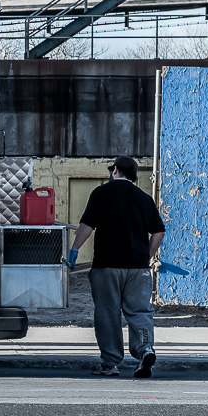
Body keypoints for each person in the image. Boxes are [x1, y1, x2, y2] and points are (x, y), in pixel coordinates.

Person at [70, 156, 165, 379]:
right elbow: (159, 231)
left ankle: (110, 363)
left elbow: (87, 225)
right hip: (138, 268)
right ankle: (145, 350)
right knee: (140, 312)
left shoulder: (101, 193)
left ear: (114, 171)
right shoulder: (144, 198)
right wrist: (146, 256)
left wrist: (74, 249)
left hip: (107, 267)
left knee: (108, 313)